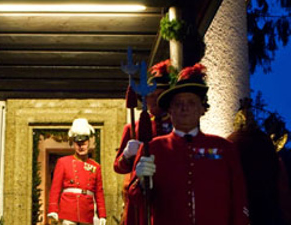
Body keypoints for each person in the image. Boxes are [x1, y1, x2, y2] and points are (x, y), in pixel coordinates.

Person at [128, 63, 249, 225]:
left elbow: (239, 196)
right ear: (170, 110)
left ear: (202, 109)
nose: (184, 108)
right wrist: (141, 183)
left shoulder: (224, 148)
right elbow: (136, 200)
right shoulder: (153, 148)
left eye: (191, 103)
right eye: (178, 104)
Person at [113, 60, 175, 225]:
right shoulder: (133, 128)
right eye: (150, 96)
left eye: (158, 95)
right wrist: (127, 155)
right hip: (141, 193)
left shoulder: (178, 125)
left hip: (171, 190)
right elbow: (118, 167)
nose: (153, 100)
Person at [47, 118, 107, 225]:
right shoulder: (63, 162)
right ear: (73, 144)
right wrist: (52, 210)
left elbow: (99, 192)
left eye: (83, 143)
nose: (81, 146)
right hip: (68, 211)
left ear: (89, 142)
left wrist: (102, 214)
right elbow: (55, 189)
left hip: (87, 212)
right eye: (78, 143)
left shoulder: (95, 166)